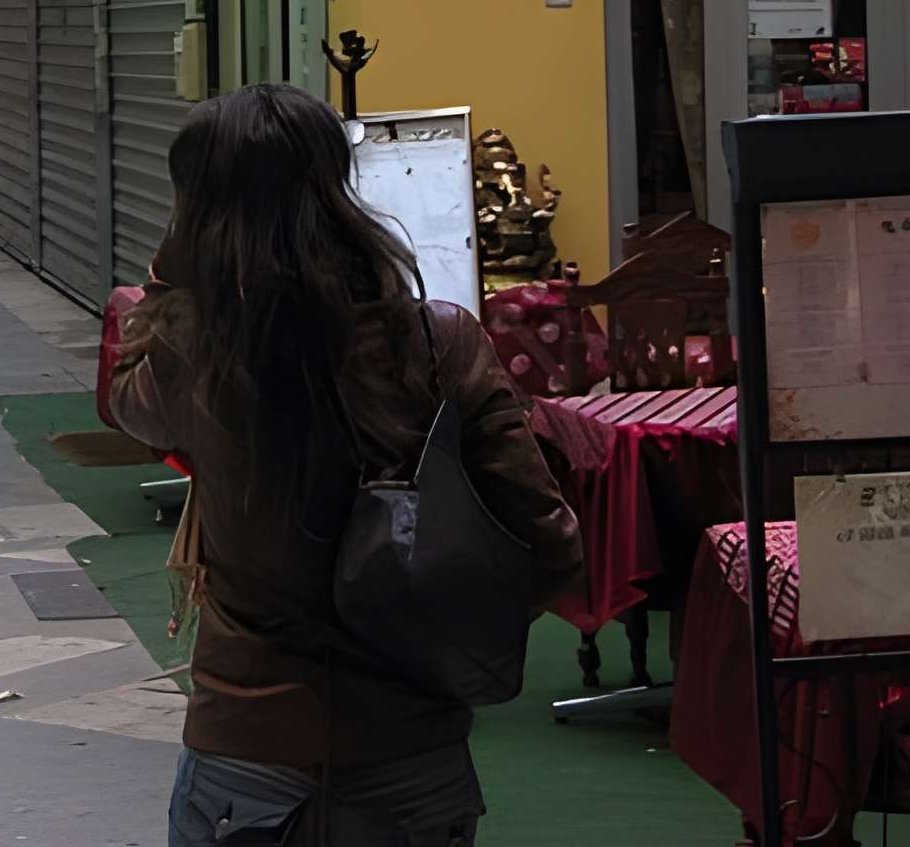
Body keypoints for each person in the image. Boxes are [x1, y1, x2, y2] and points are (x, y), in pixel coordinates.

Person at [109, 84, 582, 847]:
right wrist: (436, 629)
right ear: (339, 190)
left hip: (248, 753)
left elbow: (125, 400)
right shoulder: (439, 344)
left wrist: (178, 264)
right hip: (413, 753)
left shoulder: (191, 354)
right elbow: (549, 544)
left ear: (195, 211)